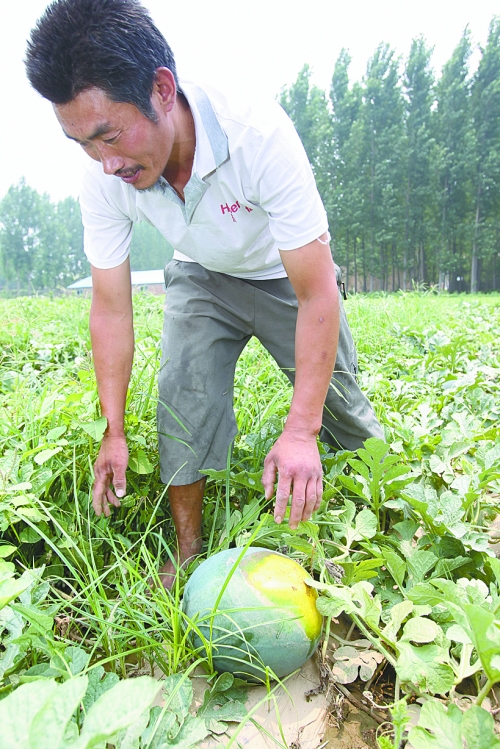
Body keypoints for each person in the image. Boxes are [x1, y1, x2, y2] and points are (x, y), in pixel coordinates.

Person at [26, 0, 383, 588]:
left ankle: (382, 515)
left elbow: (319, 294)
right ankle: (190, 551)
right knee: (182, 395)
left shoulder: (258, 134)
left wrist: (300, 431)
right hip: (201, 274)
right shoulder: (105, 175)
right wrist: (112, 431)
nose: (105, 161)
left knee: (340, 412)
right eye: (84, 144)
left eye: (110, 135)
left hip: (282, 275)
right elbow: (111, 308)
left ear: (163, 89)